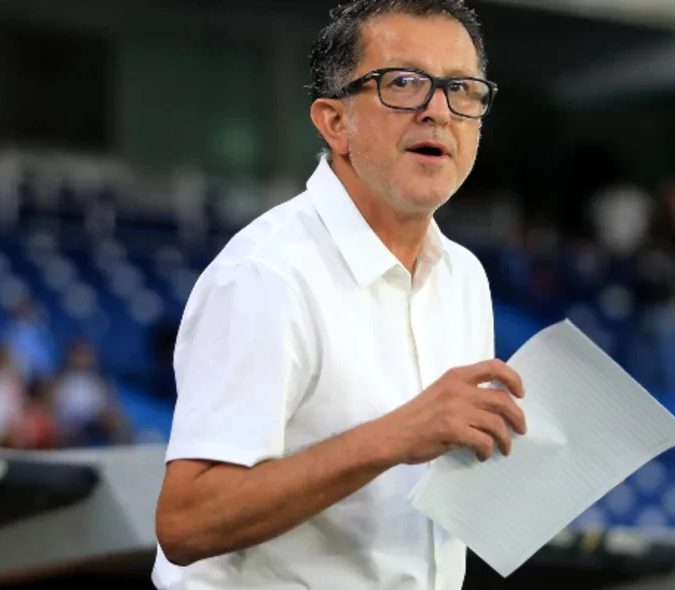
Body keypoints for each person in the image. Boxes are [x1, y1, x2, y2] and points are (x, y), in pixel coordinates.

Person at [152, 1, 526, 588]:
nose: (437, 111)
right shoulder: (267, 274)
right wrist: (396, 435)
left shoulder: (465, 278)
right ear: (333, 122)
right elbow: (186, 522)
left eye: (462, 89)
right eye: (404, 83)